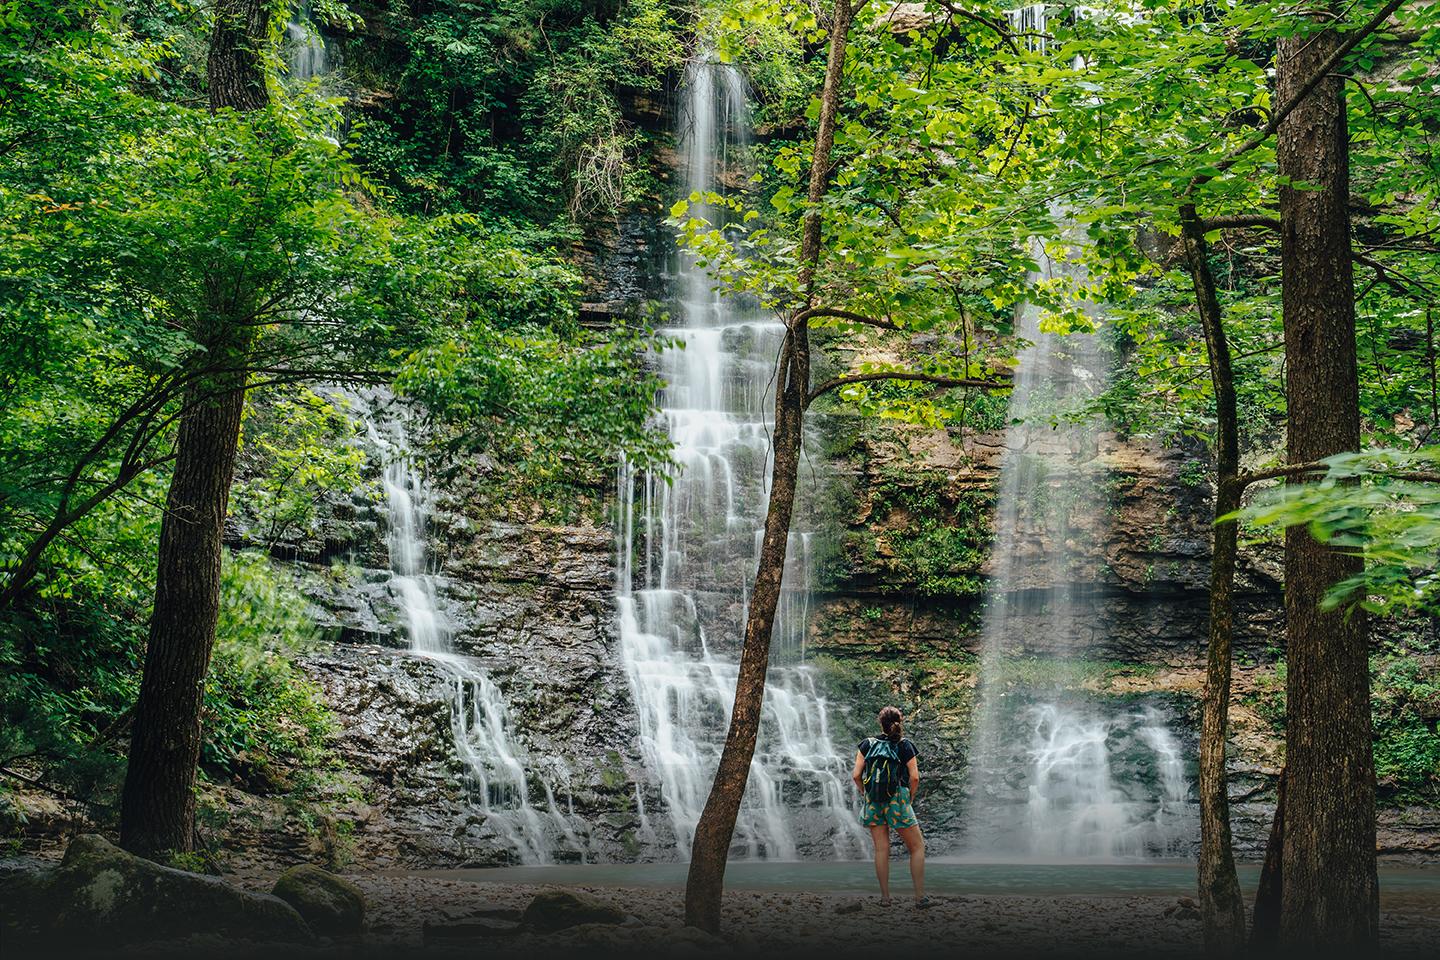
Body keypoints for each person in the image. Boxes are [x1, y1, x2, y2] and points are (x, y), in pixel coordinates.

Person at [852, 705, 930, 907]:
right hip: (898, 800)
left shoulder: (867, 745)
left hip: (873, 801)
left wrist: (865, 792)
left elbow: (856, 775)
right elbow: (914, 777)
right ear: (899, 722)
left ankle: (885, 898)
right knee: (917, 847)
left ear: (881, 723)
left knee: (881, 850)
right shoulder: (905, 746)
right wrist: (909, 798)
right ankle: (920, 897)